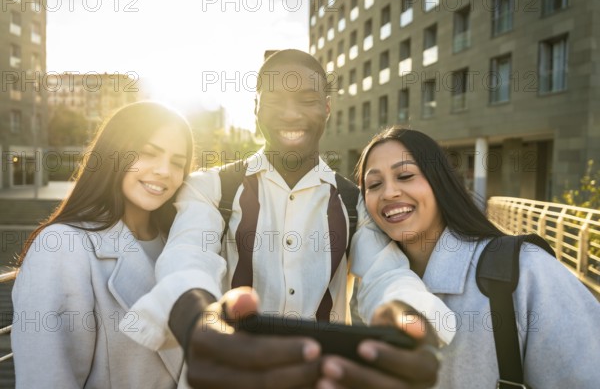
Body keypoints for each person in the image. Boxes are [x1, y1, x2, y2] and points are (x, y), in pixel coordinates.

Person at [125, 49, 453, 389]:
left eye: (308, 100)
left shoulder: (355, 203)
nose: (291, 113)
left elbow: (386, 275)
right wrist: (195, 317)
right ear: (256, 108)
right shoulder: (210, 188)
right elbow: (187, 257)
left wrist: (408, 316)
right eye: (274, 100)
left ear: (327, 108)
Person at [356, 126, 600, 388]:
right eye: (374, 184)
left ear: (440, 182)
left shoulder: (525, 268)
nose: (388, 193)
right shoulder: (371, 285)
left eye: (405, 175)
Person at [11, 101, 195, 388]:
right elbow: (47, 378)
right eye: (148, 153)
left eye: (177, 162)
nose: (163, 170)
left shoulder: (181, 243)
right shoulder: (62, 246)